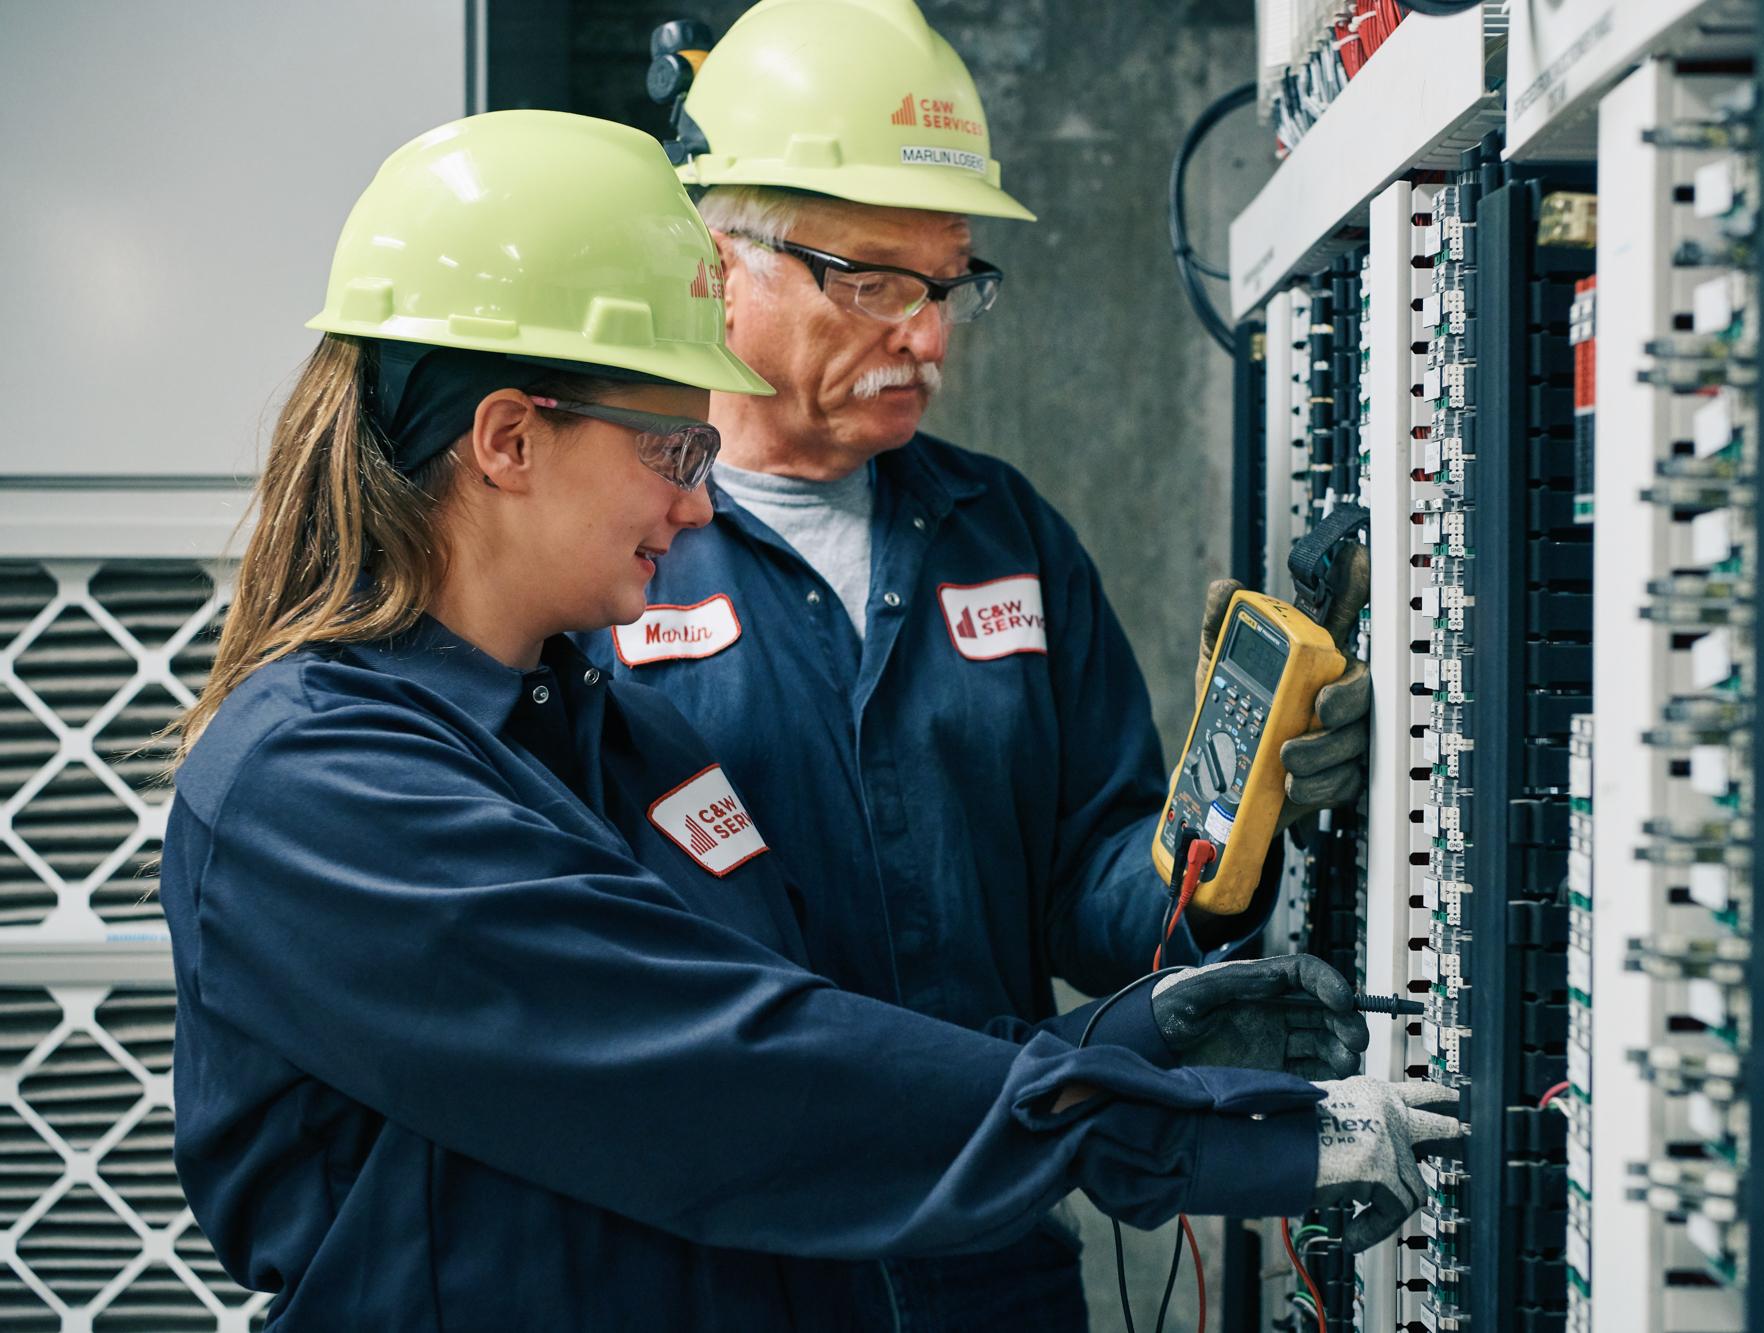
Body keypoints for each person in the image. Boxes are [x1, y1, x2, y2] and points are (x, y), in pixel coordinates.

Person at [160, 109, 1456, 1332]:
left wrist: (1114, 1039)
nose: (701, 505)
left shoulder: (627, 745)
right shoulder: (315, 786)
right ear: (507, 440)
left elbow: (797, 1015)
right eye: (675, 451)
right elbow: (716, 1076)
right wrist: (1180, 1129)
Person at [581, 0, 1377, 1322]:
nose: (931, 336)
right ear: (722, 259)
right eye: (879, 283)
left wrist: (1242, 820)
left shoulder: (999, 534)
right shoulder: (606, 554)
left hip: (990, 1262)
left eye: (950, 285)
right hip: (729, 1272)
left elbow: (1099, 903)